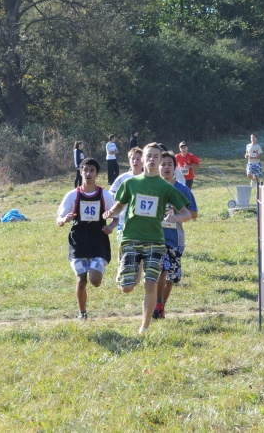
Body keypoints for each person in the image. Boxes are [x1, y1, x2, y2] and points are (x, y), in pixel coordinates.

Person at [103, 142, 192, 334]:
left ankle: (144, 327)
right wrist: (111, 212)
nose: (152, 159)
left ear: (160, 160)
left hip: (156, 241)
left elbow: (187, 213)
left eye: (156, 156)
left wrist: (176, 217)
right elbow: (119, 205)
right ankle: (125, 275)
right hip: (131, 238)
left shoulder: (166, 187)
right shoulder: (130, 183)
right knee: (127, 287)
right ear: (142, 159)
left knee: (150, 283)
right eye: (149, 156)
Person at [56, 158, 119, 320]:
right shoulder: (72, 195)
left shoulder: (104, 195)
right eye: (85, 170)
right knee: (81, 279)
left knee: (95, 280)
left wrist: (110, 227)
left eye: (92, 170)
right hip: (78, 242)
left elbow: (117, 217)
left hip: (99, 242)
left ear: (97, 174)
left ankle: (95, 275)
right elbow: (59, 219)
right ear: (81, 172)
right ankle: (82, 314)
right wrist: (64, 220)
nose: (88, 173)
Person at [154, 151, 198, 319]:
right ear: (158, 167)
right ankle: (157, 303)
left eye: (170, 164)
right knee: (161, 269)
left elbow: (193, 213)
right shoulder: (152, 188)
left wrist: (177, 215)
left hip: (175, 239)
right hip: (156, 238)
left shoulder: (182, 189)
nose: (166, 167)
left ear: (175, 168)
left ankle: (161, 307)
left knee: (171, 277)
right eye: (163, 164)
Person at [110, 147, 144, 242]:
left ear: (143, 160)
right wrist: (122, 198)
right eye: (132, 159)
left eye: (138, 159)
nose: (135, 161)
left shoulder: (148, 178)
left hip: (142, 220)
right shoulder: (122, 178)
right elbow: (111, 193)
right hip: (124, 219)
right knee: (123, 246)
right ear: (129, 160)